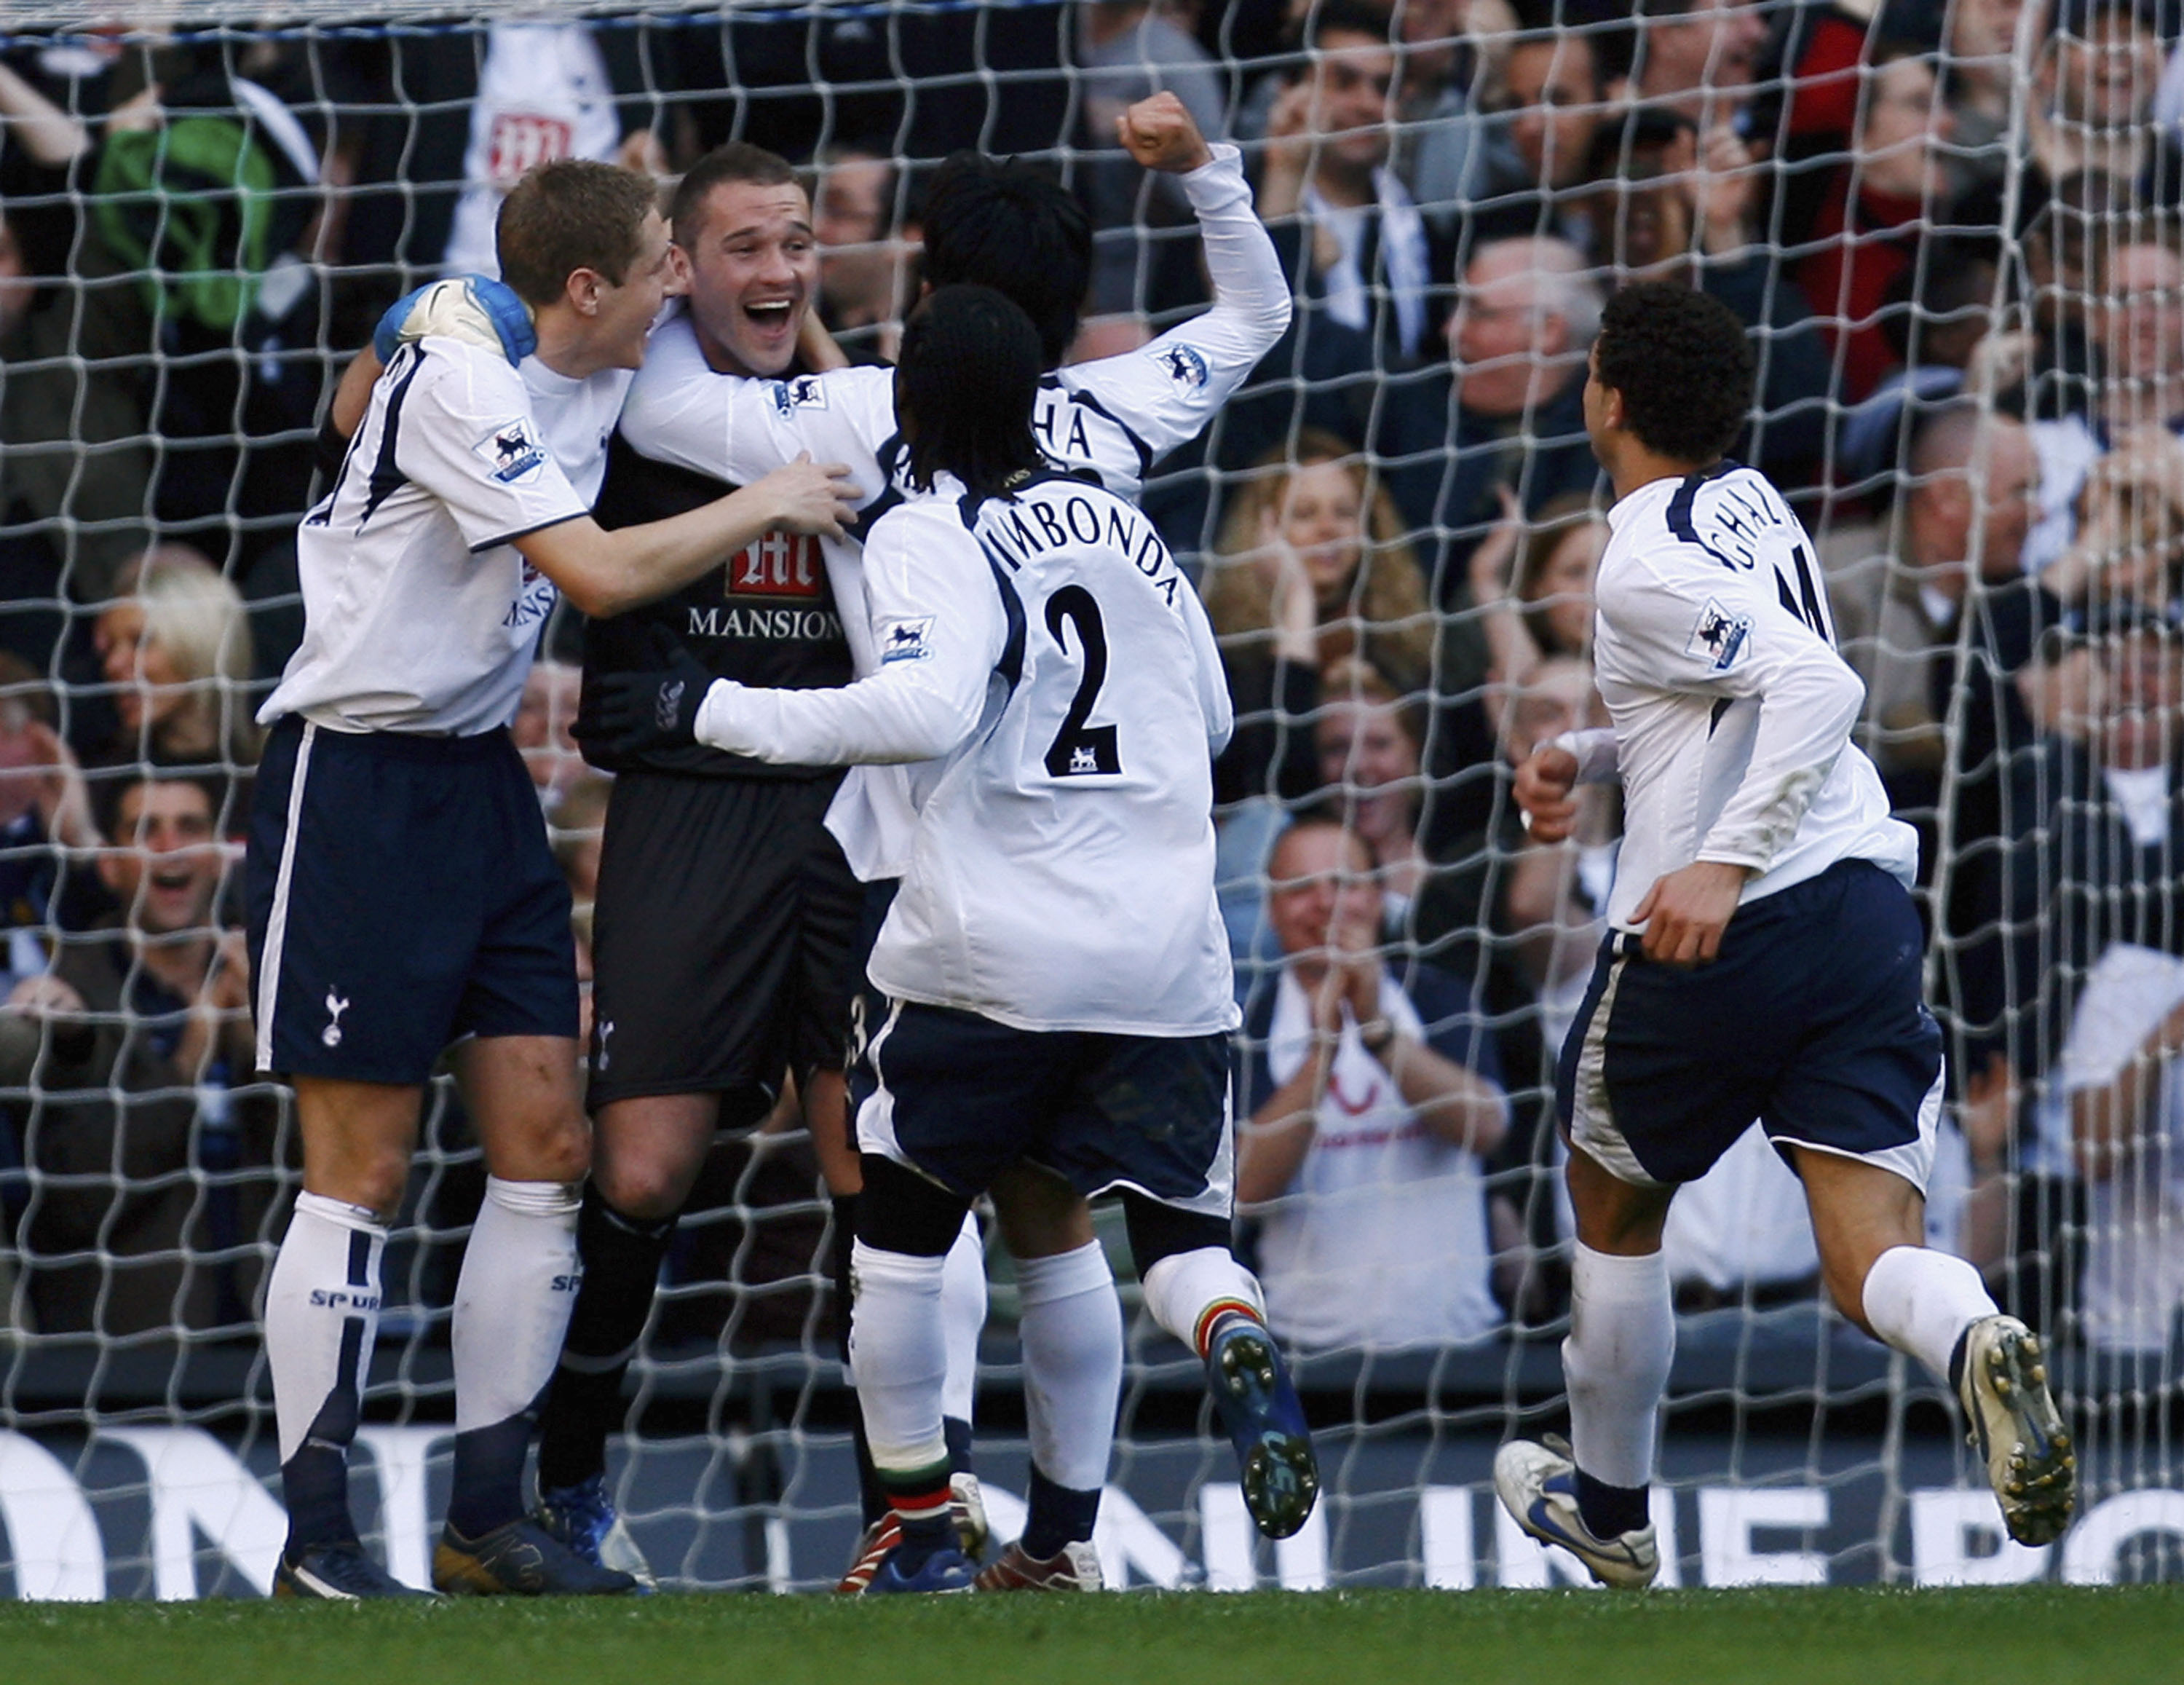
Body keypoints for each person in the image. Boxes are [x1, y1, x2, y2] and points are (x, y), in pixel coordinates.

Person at [592, 283, 1318, 1593]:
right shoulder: (1120, 518)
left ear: (913, 406)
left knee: (904, 1231)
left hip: (991, 948)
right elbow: (1211, 716)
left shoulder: (931, 527)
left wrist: (716, 713)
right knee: (1177, 1238)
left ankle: (923, 1523)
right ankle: (1189, 1382)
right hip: (1167, 953)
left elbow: (922, 708)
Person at [245, 157, 854, 1601]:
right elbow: (587, 576)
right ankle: (319, 1540)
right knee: (365, 1171)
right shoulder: (467, 366)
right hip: (358, 775)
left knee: (548, 1144)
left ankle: (485, 1518)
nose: (680, 290)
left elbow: (353, 401)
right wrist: (771, 499)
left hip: (478, 786)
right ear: (590, 287)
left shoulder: (576, 349)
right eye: (662, 268)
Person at [1492, 281, 2076, 1587]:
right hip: (1863, 902)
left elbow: (1819, 681)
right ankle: (1977, 1331)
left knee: (1609, 1196)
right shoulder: (1754, 500)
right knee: (1866, 1249)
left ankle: (1614, 1506)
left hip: (1731, 922)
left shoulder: (1640, 555)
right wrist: (1592, 754)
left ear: (1610, 393)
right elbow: (1735, 702)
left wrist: (1717, 863)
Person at [0, 769, 277, 1338]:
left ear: (220, 857)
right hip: (130, 1354)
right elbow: (78, 1203)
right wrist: (192, 1053)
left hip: (273, 1340)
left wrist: (260, 1049)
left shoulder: (270, 978)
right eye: (146, 830)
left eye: (189, 827)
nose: (170, 847)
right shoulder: (71, 1006)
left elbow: (323, 1168)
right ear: (110, 864)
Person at [1235, 813, 1510, 1351]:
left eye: (1345, 884)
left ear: (1380, 898)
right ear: (1271, 909)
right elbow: (1244, 1189)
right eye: (1300, 889)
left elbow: (1488, 1128)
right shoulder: (1250, 1021)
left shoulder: (1436, 996)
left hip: (1456, 1344)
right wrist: (1324, 1053)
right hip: (1302, 1349)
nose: (1325, 903)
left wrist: (1379, 1034)